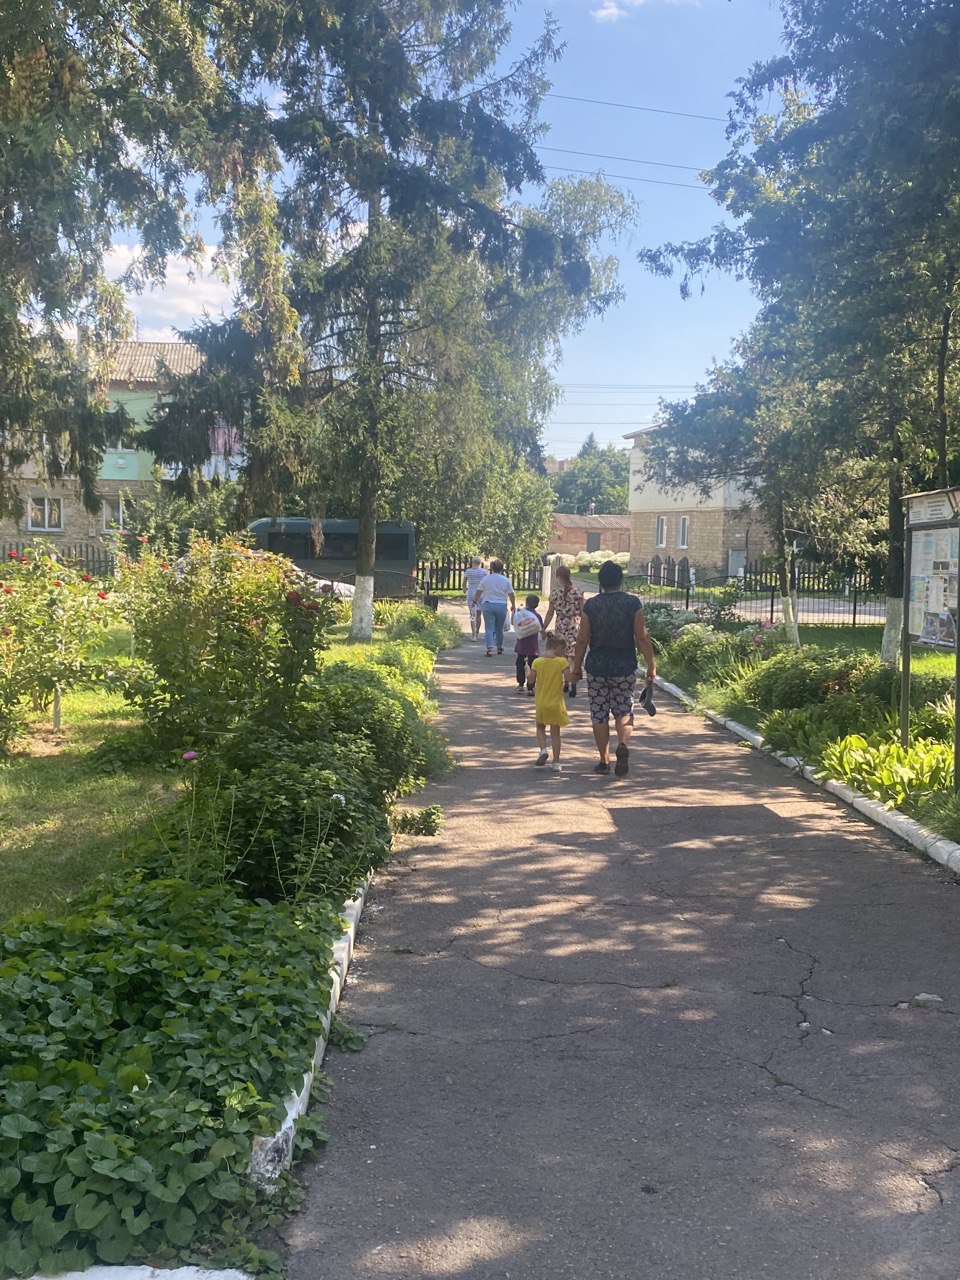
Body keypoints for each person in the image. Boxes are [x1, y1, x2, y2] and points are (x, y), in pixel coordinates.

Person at [568, 559, 656, 777]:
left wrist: (576, 667)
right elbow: (642, 637)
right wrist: (651, 666)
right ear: (621, 580)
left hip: (597, 667)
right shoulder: (633, 603)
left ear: (600, 582)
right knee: (624, 708)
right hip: (624, 666)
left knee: (599, 713)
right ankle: (623, 744)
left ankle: (604, 761)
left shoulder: (591, 605)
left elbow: (582, 639)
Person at [527, 632, 570, 772]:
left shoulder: (537, 662)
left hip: (541, 702)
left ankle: (543, 749)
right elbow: (569, 679)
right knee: (555, 732)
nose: (564, 653)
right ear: (557, 647)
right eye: (563, 649)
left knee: (540, 727)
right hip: (556, 703)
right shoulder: (562, 662)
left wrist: (527, 670)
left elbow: (531, 681)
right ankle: (556, 762)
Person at [541, 562, 584, 698]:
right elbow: (583, 612)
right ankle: (573, 681)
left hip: (560, 624)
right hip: (574, 624)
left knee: (561, 652)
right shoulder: (578, 593)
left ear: (558, 577)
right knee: (573, 654)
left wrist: (544, 627)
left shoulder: (554, 593)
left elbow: (549, 613)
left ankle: (565, 681)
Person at [471, 559, 515, 655]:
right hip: (501, 605)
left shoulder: (486, 579)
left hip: (488, 604)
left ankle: (489, 648)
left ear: (491, 569)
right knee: (499, 628)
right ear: (502, 569)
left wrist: (474, 601)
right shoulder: (505, 580)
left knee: (489, 628)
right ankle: (499, 647)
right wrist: (513, 605)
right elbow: (511, 594)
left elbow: (478, 591)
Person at [512, 593, 543, 693]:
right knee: (533, 666)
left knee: (520, 664)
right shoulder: (537, 616)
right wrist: (545, 635)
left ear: (526, 603)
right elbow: (540, 628)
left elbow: (514, 623)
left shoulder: (521, 614)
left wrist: (513, 612)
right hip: (533, 646)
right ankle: (531, 688)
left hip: (521, 644)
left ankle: (521, 684)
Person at [463, 556, 486, 641]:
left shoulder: (468, 571)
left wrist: (464, 589)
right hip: (481, 593)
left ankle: (473, 635)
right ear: (480, 563)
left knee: (472, 614)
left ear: (472, 562)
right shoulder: (483, 572)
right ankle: (477, 632)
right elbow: (485, 582)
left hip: (471, 593)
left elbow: (464, 583)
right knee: (479, 614)